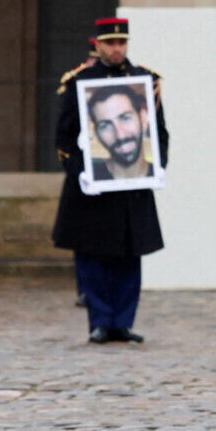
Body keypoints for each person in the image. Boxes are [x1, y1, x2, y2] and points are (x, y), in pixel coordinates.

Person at [52, 18, 168, 344]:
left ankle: (124, 322)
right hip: (93, 189)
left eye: (122, 43)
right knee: (94, 256)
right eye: (110, 44)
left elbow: (159, 132)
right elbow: (63, 136)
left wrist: (159, 165)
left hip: (132, 186)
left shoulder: (145, 81)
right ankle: (100, 322)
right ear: (98, 45)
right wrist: (81, 173)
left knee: (130, 256)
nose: (117, 49)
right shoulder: (80, 82)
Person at [84, 83, 155, 183]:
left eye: (125, 118)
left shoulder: (164, 175)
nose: (120, 135)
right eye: (105, 126)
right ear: (96, 133)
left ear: (143, 120)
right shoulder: (89, 179)